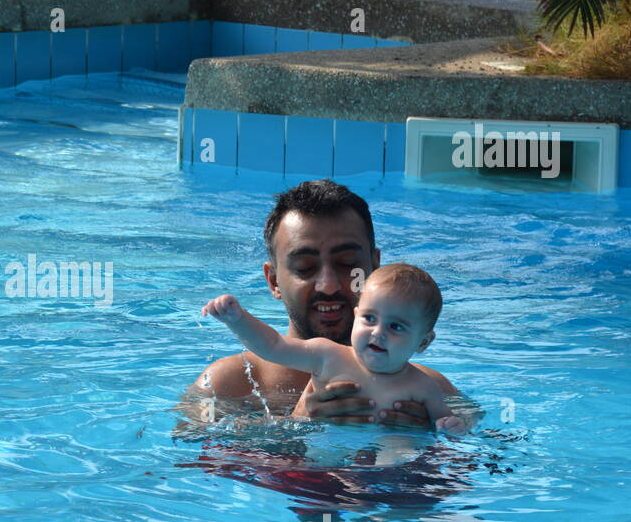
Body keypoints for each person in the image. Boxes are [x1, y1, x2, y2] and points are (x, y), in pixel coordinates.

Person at [189, 179, 466, 426]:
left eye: (347, 264)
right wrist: (297, 425)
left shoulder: (430, 389)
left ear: (375, 266)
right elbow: (188, 461)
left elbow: (484, 459)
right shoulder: (225, 384)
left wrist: (427, 438)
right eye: (305, 267)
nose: (329, 285)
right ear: (274, 281)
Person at [202, 262, 470, 436]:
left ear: (423, 342)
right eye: (369, 319)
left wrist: (452, 427)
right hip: (320, 462)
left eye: (396, 327)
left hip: (389, 469)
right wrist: (237, 319)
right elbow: (273, 346)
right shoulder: (327, 356)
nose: (378, 332)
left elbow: (449, 427)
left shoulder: (424, 387)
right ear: (356, 316)